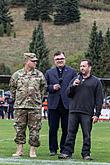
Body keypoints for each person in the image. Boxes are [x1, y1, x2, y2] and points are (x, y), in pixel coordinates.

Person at [59, 59, 103, 160]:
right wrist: (73, 86)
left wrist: (97, 114)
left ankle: (86, 154)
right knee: (70, 133)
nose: (82, 68)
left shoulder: (96, 82)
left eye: (84, 66)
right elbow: (68, 93)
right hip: (73, 111)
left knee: (86, 135)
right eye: (81, 66)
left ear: (89, 67)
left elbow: (99, 99)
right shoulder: (75, 79)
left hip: (87, 112)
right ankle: (67, 152)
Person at [9, 52, 46, 158]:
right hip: (20, 106)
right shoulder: (17, 75)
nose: (35, 62)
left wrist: (37, 100)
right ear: (26, 61)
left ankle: (32, 150)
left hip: (34, 107)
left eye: (35, 61)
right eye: (33, 61)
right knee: (19, 128)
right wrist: (18, 99)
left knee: (35, 129)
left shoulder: (39, 75)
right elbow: (12, 88)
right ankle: (19, 150)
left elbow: (43, 89)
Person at [45, 51, 77, 156]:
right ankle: (52, 149)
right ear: (54, 61)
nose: (60, 61)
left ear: (65, 59)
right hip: (53, 105)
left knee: (66, 129)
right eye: (57, 59)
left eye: (61, 58)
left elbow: (76, 86)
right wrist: (52, 87)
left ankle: (64, 149)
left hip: (67, 104)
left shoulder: (72, 72)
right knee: (53, 129)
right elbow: (44, 87)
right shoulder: (49, 72)